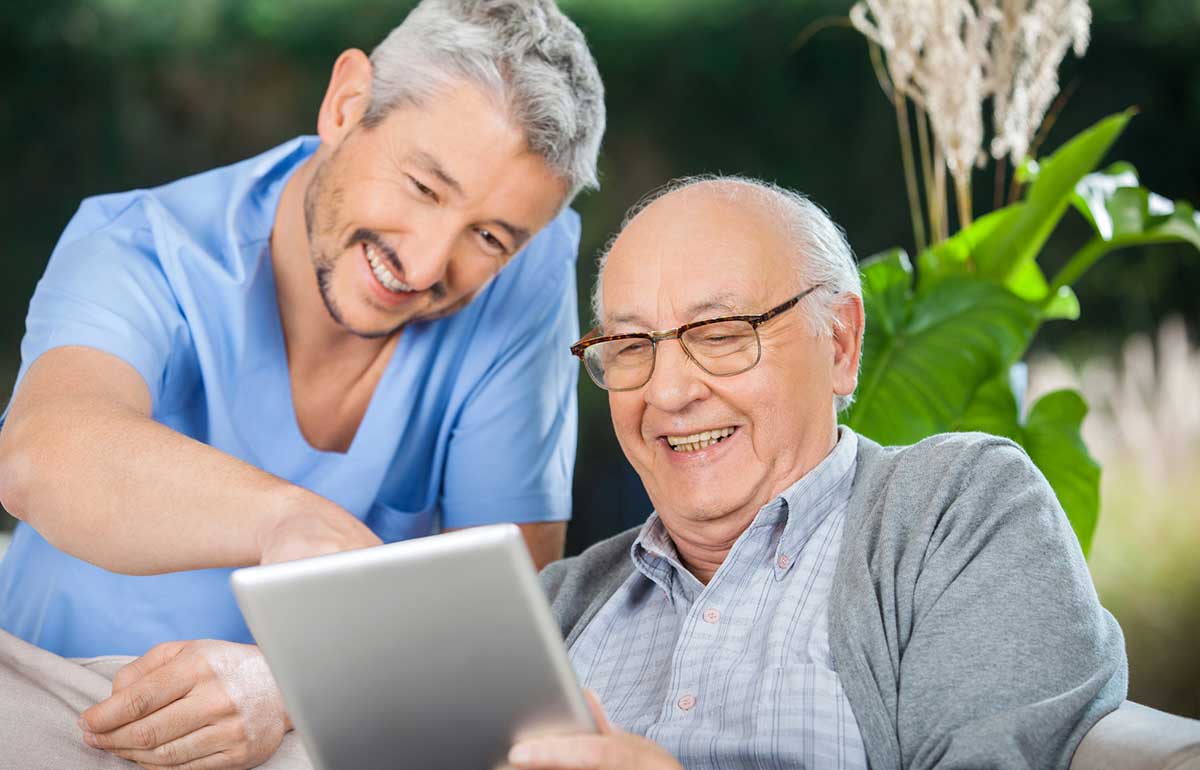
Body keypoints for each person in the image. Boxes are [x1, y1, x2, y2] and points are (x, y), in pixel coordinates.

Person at [0, 0, 603, 766]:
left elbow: (507, 611)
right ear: (347, 104)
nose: (423, 268)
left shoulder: (524, 273)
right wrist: (293, 523)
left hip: (324, 725)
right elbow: (42, 457)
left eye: (488, 237)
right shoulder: (141, 250)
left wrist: (294, 682)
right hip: (68, 708)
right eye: (423, 187)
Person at [506, 176, 1127, 770]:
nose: (666, 392)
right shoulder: (559, 604)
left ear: (840, 344)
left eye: (722, 334)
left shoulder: (954, 515)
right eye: (632, 346)